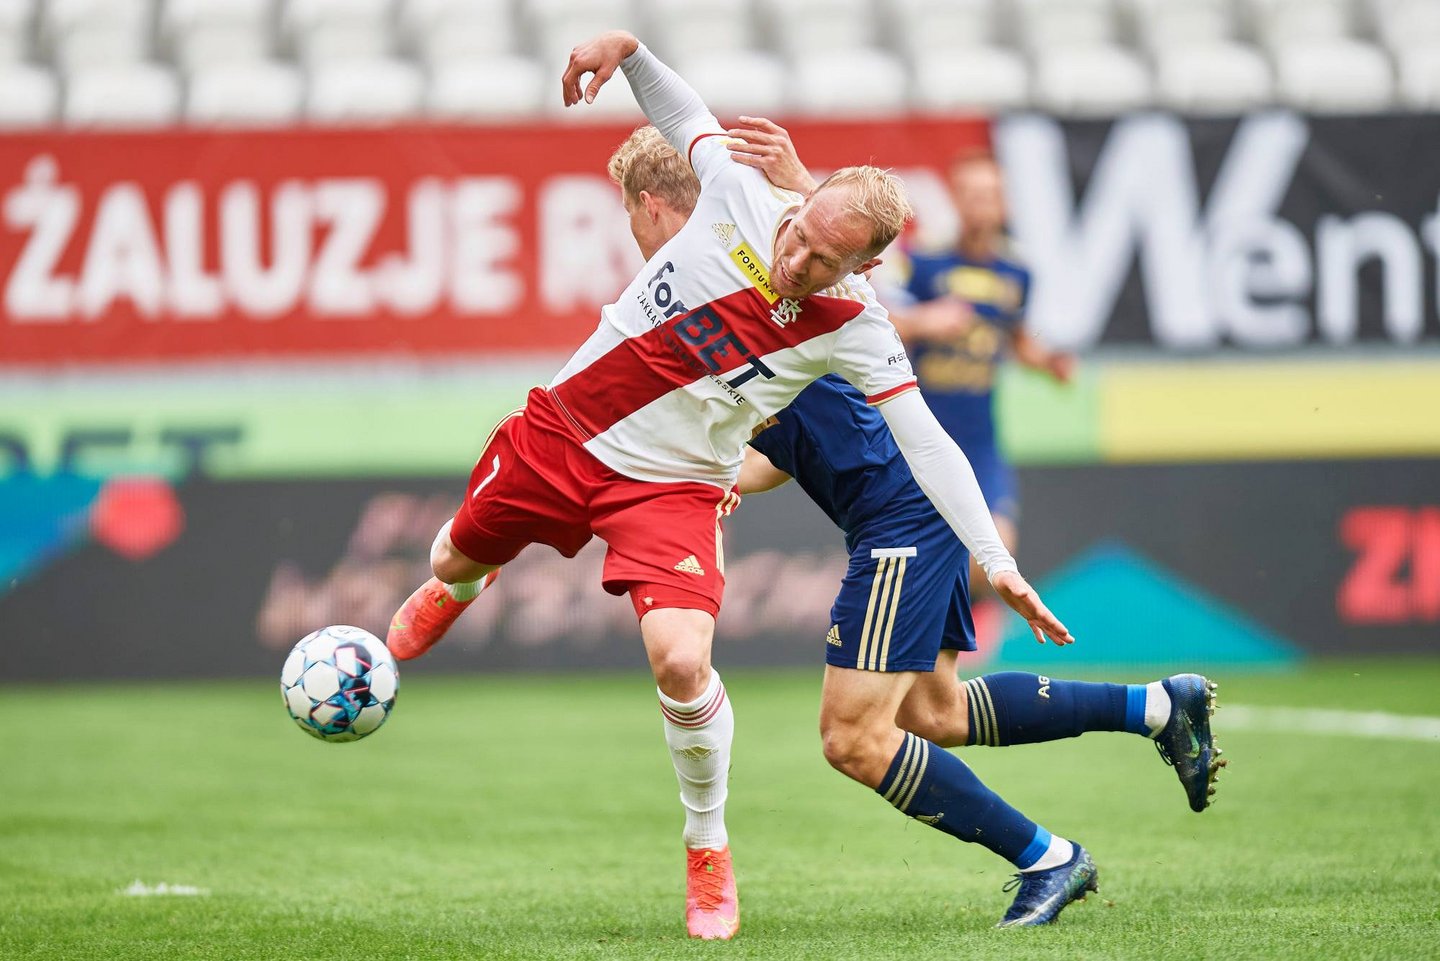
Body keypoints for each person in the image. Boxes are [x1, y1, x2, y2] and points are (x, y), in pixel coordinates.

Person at [384, 31, 1070, 940]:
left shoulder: (857, 326)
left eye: (825, 262)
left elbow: (930, 443)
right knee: (450, 554)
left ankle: (706, 845)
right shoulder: (742, 192)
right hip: (565, 433)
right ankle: (459, 587)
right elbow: (683, 112)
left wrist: (996, 558)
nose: (797, 262)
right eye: (801, 235)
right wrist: (628, 50)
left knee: (680, 659)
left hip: (673, 486)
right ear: (799, 201)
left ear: (863, 270)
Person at [627, 119, 1226, 928]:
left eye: (632, 216)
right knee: (935, 714)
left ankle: (1048, 856)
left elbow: (855, 252)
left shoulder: (773, 284)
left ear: (659, 207)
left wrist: (802, 182)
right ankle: (1157, 706)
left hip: (901, 517)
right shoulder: (737, 304)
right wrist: (722, 478)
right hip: (904, 513)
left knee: (852, 738)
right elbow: (784, 447)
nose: (635, 242)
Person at [883, 151, 1076, 598]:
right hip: (922, 431)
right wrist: (924, 321)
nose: (981, 204)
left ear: (1004, 203)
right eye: (971, 194)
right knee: (915, 552)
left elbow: (1018, 340)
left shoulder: (1016, 273)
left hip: (980, 439)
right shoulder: (923, 262)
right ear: (955, 200)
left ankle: (951, 627)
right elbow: (877, 321)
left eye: (990, 195)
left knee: (995, 553)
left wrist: (1049, 363)